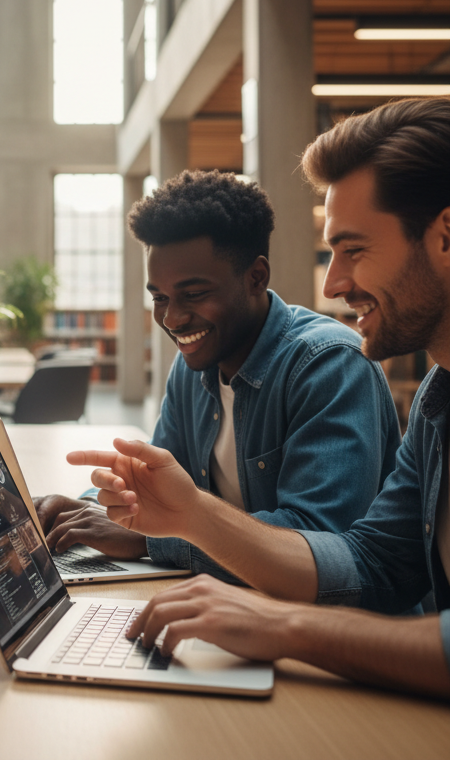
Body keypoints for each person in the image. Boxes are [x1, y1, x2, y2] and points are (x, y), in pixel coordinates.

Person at [81, 97, 450, 697]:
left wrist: (289, 625)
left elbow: (333, 545)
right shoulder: (440, 394)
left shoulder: (324, 360)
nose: (332, 283)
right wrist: (186, 517)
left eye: (353, 250)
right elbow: (375, 564)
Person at [36, 170, 401, 583]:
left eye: (193, 295)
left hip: (338, 630)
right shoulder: (193, 366)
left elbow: (317, 538)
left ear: (256, 277)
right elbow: (156, 495)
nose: (172, 318)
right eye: (159, 297)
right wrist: (86, 509)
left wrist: (148, 540)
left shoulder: (329, 363)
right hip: (239, 601)